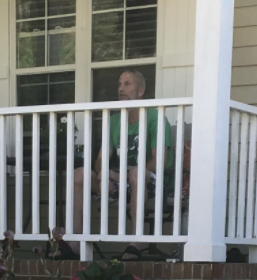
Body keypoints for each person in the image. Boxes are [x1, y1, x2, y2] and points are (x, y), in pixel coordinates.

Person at [58, 69, 174, 261]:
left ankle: (135, 242)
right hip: (121, 180)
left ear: (141, 91)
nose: (121, 89)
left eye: (127, 84)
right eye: (119, 84)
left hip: (151, 181)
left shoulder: (156, 117)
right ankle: (75, 243)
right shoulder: (113, 120)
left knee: (137, 173)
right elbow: (101, 158)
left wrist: (124, 175)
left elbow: (158, 161)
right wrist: (104, 172)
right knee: (79, 174)